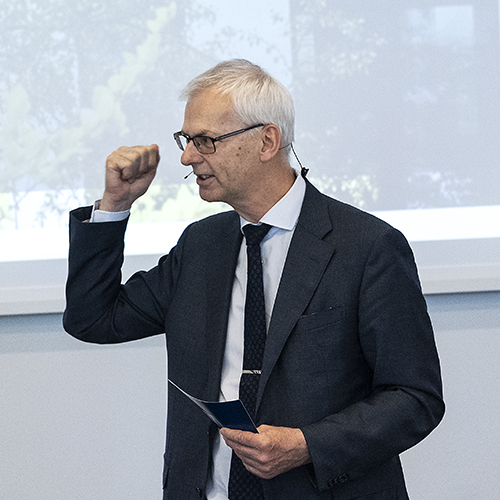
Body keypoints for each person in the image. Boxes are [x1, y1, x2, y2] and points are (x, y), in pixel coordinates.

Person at [64, 59, 445, 500]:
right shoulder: (201, 245)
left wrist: (307, 445)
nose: (187, 157)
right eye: (186, 140)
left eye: (205, 140)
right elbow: (93, 319)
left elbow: (415, 397)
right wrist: (114, 205)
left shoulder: (368, 246)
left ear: (267, 140)